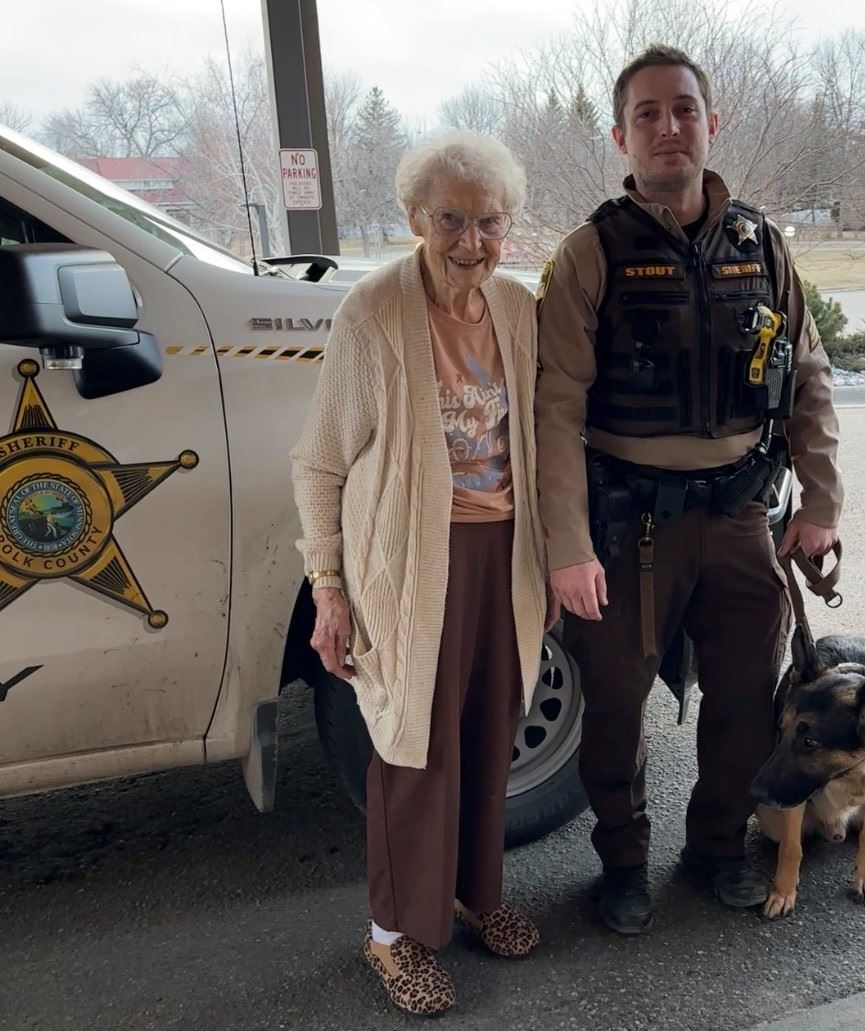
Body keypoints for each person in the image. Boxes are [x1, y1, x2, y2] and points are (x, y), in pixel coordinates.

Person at [535, 45, 843, 935]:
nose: (668, 127)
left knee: (747, 696)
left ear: (713, 123)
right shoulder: (589, 253)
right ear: (621, 135)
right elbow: (555, 409)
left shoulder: (763, 245)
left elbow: (809, 377)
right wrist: (567, 544)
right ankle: (622, 860)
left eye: (684, 110)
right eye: (647, 114)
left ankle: (714, 846)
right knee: (616, 701)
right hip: (629, 524)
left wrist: (820, 502)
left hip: (744, 513)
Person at [291, 131, 553, 1016]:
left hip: (503, 556)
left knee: (488, 734)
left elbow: (538, 444)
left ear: (507, 227)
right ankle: (392, 936)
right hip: (409, 564)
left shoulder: (519, 310)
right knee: (413, 748)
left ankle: (477, 894)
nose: (469, 239)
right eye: (450, 218)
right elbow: (320, 462)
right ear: (414, 218)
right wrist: (328, 585)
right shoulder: (371, 314)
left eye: (488, 221)